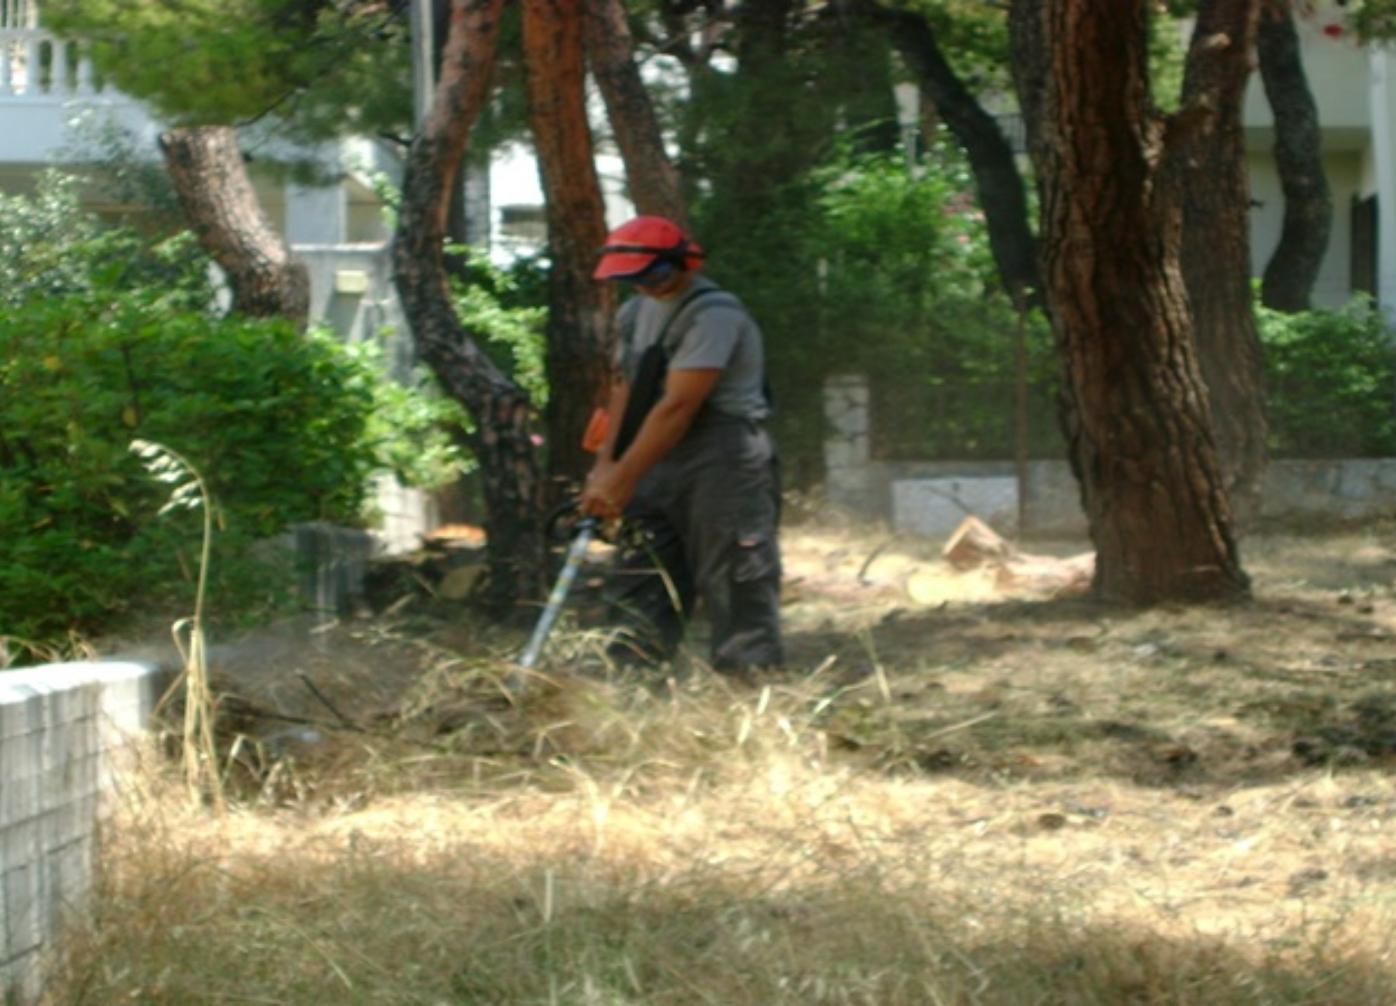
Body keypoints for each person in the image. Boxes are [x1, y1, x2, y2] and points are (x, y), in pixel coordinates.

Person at [580, 215, 783, 674]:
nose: (647, 287)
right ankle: (629, 689)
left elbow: (677, 406)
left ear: (682, 264)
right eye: (633, 279)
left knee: (735, 578)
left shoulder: (715, 314)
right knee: (641, 574)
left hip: (723, 459)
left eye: (655, 275)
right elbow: (625, 391)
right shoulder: (634, 314)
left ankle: (752, 698)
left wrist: (623, 476)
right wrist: (605, 467)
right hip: (654, 452)